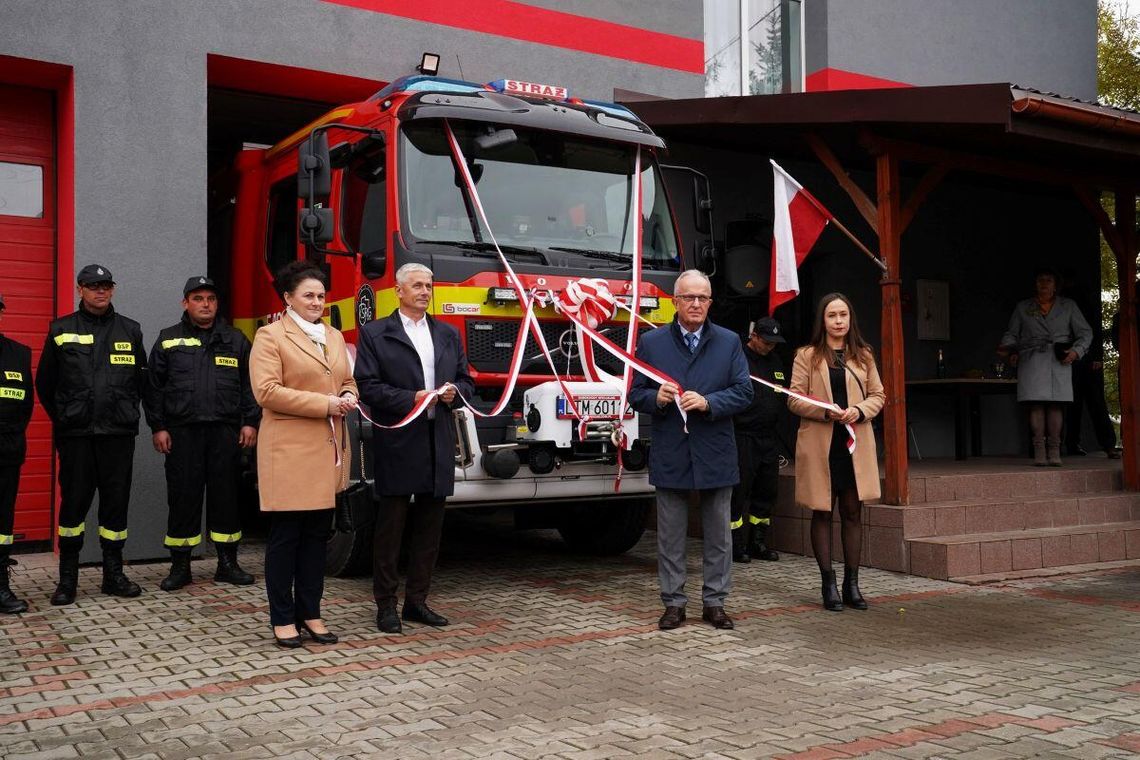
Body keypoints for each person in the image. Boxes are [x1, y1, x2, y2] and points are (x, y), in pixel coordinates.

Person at [354, 263, 474, 635]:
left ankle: (417, 602)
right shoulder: (376, 334)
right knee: (391, 526)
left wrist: (456, 394)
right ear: (399, 291)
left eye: (429, 285)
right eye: (417, 285)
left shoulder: (448, 334)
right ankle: (385, 605)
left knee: (430, 527)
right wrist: (413, 398)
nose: (425, 291)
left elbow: (468, 381)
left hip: (437, 438)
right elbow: (368, 387)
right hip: (398, 437)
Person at [629, 269, 753, 631]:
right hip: (672, 449)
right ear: (675, 301)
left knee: (718, 534)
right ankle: (674, 603)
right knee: (670, 536)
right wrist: (657, 397)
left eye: (703, 298)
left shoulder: (729, 342)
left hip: (715, 449)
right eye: (689, 297)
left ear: (710, 303)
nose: (696, 304)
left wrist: (710, 401)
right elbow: (635, 394)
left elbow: (744, 391)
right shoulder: (652, 343)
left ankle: (715, 602)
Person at [249, 262, 357, 648]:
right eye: (308, 295)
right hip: (289, 451)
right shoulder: (270, 336)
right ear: (288, 298)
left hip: (327, 453)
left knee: (317, 539)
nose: (317, 302)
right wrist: (326, 404)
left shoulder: (332, 335)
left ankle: (310, 612)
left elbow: (347, 379)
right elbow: (267, 392)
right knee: (286, 539)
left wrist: (348, 396)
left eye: (321, 296)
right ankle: (282, 618)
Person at [37, 264, 147, 606]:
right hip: (77, 437)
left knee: (115, 508)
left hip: (117, 435)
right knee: (73, 508)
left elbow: (141, 382)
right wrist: (68, 417)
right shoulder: (61, 329)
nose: (100, 291)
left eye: (106, 286)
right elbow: (45, 384)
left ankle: (113, 575)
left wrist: (125, 412)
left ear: (113, 289)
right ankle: (67, 579)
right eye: (92, 286)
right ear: (79, 289)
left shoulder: (130, 330)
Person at [144, 276, 261, 591]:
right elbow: (153, 388)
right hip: (182, 433)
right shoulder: (168, 339)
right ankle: (180, 567)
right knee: (183, 497)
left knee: (226, 498)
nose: (205, 304)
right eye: (198, 298)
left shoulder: (236, 340)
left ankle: (227, 564)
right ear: (186, 303)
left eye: (210, 298)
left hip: (225, 432)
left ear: (217, 303)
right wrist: (159, 427)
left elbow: (252, 385)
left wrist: (250, 421)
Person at [787, 293, 884, 612]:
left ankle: (852, 584)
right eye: (832, 315)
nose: (839, 320)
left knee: (853, 512)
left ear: (850, 318)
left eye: (843, 314)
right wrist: (826, 411)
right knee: (823, 512)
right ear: (823, 321)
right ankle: (828, 584)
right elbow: (794, 399)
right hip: (821, 444)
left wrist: (858, 411)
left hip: (853, 444)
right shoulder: (807, 355)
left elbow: (879, 395)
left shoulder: (864, 354)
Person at [998, 268, 1092, 467]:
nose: (1044, 283)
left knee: (1056, 405)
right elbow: (1012, 333)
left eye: (1048, 280)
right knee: (1036, 404)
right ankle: (1039, 448)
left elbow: (1086, 333)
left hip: (1059, 359)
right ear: (1035, 284)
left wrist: (1076, 352)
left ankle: (1055, 449)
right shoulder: (1023, 307)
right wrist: (1008, 349)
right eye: (1040, 279)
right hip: (1031, 358)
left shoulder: (1069, 306)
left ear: (1055, 285)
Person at [730, 317, 786, 564]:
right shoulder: (738, 357)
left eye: (774, 343)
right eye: (766, 341)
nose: (770, 346)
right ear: (754, 337)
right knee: (739, 491)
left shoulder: (775, 360)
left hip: (768, 437)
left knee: (767, 490)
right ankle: (735, 544)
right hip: (743, 436)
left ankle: (758, 542)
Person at [1060, 270, 1119, 458]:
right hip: (1069, 357)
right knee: (1074, 403)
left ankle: (1107, 444)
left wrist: (1096, 356)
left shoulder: (1082, 301)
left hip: (1085, 357)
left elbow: (1093, 328)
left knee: (1094, 402)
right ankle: (1074, 444)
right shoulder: (1063, 303)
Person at [0, 294, 34, 613]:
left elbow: (25, 406)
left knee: (2, 524)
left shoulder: (18, 354)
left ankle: (1, 587)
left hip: (6, 454)